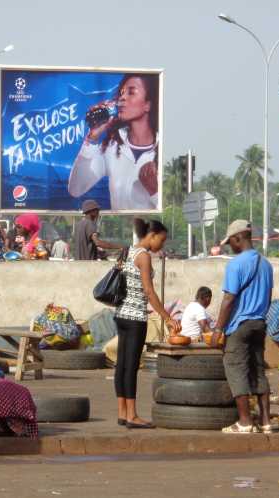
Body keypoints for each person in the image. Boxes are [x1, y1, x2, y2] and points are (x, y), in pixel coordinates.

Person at [114, 218, 181, 429]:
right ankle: (133, 415)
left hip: (121, 314)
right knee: (131, 367)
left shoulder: (128, 252)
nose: (161, 245)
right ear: (151, 236)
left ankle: (122, 412)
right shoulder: (143, 257)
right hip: (135, 318)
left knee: (122, 366)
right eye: (161, 240)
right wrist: (167, 317)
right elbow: (149, 291)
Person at [212, 220, 274, 434]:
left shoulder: (236, 264)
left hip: (240, 326)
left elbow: (229, 299)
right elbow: (268, 296)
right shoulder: (266, 264)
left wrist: (218, 329)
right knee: (258, 370)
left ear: (238, 238)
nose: (230, 246)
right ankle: (266, 422)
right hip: (259, 323)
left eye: (231, 242)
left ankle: (245, 422)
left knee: (236, 369)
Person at [69, 73, 159, 210]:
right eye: (122, 93)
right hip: (120, 230)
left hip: (151, 231)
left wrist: (155, 191)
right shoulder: (112, 147)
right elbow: (75, 189)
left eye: (131, 92)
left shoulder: (162, 149)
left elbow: (173, 209)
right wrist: (91, 140)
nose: (122, 98)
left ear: (148, 105)